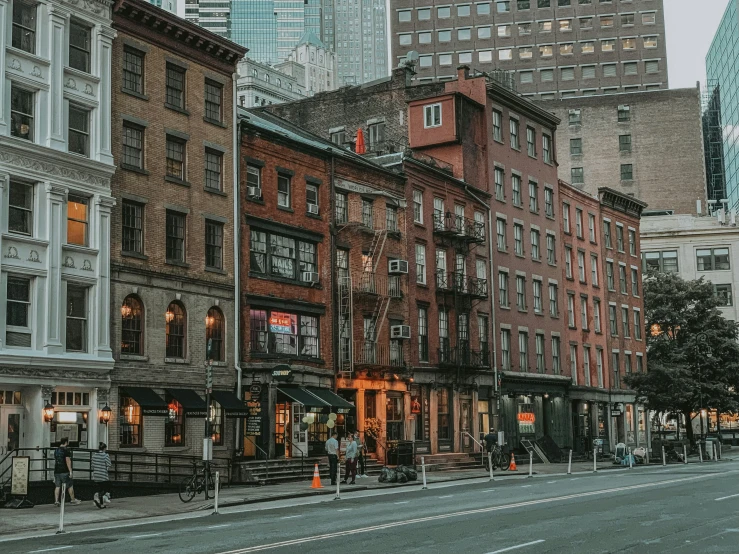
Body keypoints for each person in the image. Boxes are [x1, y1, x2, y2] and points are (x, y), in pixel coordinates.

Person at [54, 437, 81, 506]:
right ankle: (72, 499)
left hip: (57, 471)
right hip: (65, 471)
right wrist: (70, 471)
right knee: (69, 485)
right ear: (66, 442)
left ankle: (56, 501)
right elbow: (68, 461)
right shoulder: (66, 450)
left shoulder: (56, 450)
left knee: (57, 486)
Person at [92, 442, 112, 509]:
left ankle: (101, 504)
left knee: (100, 488)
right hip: (103, 475)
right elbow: (109, 464)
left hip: (96, 475)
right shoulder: (105, 455)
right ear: (104, 448)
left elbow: (92, 466)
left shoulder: (94, 455)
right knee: (106, 488)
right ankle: (97, 496)